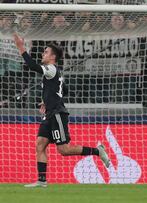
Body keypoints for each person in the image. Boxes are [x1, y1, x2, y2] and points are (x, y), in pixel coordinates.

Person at [13, 33, 110, 188]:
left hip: (57, 114)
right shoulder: (54, 73)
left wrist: (20, 47)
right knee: (40, 144)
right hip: (49, 114)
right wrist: (47, 100)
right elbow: (65, 90)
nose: (43, 54)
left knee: (64, 150)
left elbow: (32, 66)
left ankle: (98, 151)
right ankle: (42, 181)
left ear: (53, 57)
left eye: (45, 52)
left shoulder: (50, 69)